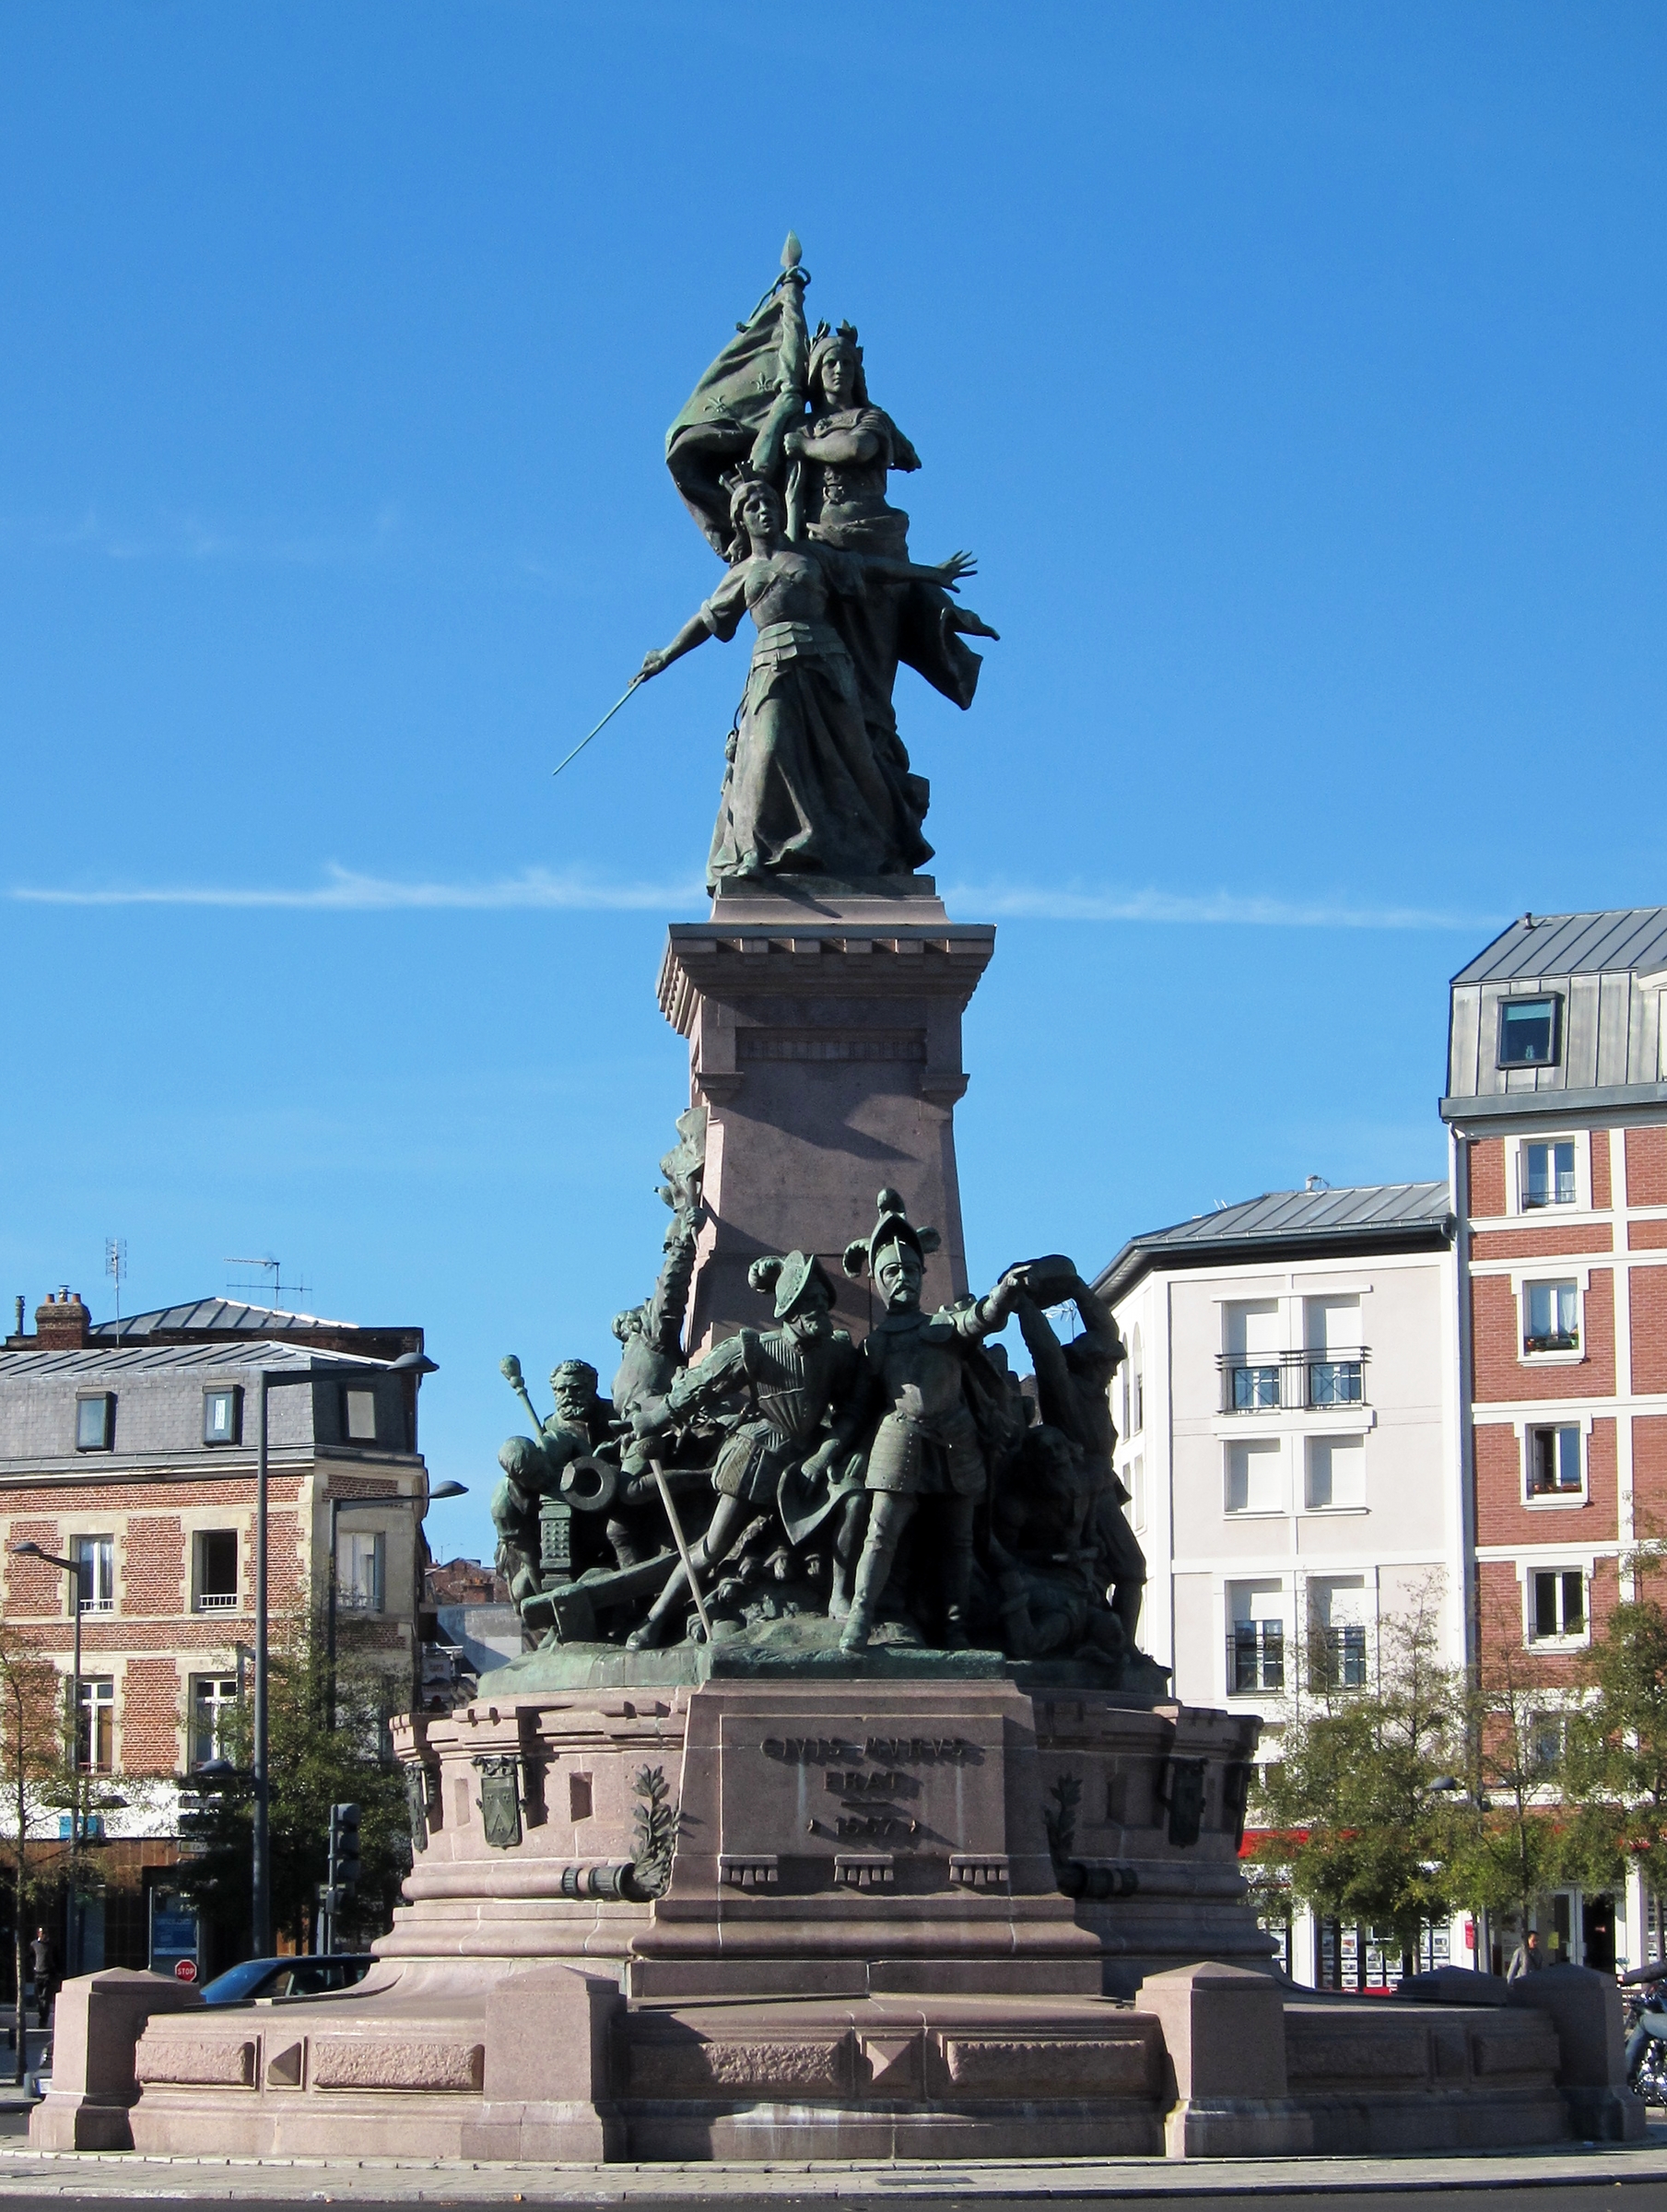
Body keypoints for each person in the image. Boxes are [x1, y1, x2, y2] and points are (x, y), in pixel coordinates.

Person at [637, 476, 976, 887]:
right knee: (767, 749)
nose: (764, 510)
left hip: (827, 662)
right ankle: (757, 851)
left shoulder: (812, 555)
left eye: (769, 502)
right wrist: (665, 655)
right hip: (771, 667)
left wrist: (929, 574)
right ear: (741, 521)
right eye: (753, 506)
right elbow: (706, 622)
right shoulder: (744, 573)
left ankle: (890, 845)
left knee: (855, 756)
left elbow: (871, 570)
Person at [626, 1253, 858, 1649]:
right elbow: (698, 1386)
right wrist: (656, 1418)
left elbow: (854, 1411)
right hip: (757, 1456)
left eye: (823, 1299)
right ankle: (655, 1619)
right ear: (790, 1308)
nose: (822, 1307)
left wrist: (824, 1456)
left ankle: (842, 1597)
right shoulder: (754, 1348)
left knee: (850, 1502)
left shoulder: (837, 1353)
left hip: (809, 1461)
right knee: (712, 1547)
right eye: (812, 1300)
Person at [833, 1192, 1028, 1654]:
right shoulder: (876, 1344)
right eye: (892, 1272)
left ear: (923, 1275)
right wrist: (831, 1449)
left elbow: (982, 1319)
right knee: (880, 1531)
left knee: (958, 1540)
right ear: (879, 1282)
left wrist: (1002, 1292)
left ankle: (955, 1629)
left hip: (957, 1437)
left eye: (911, 1270)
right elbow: (860, 1408)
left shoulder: (943, 1325)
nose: (903, 1278)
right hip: (898, 1436)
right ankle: (860, 1616)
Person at [29, 1926, 55, 2028]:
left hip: (47, 1974)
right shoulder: (34, 1945)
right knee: (39, 1998)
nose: (44, 1935)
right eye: (42, 1933)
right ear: (38, 1934)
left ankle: (43, 2020)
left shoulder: (51, 1945)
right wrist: (34, 1966)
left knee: (45, 1998)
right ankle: (42, 2014)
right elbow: (31, 1956)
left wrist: (55, 1971)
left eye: (45, 1933)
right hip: (38, 1974)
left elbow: (56, 1958)